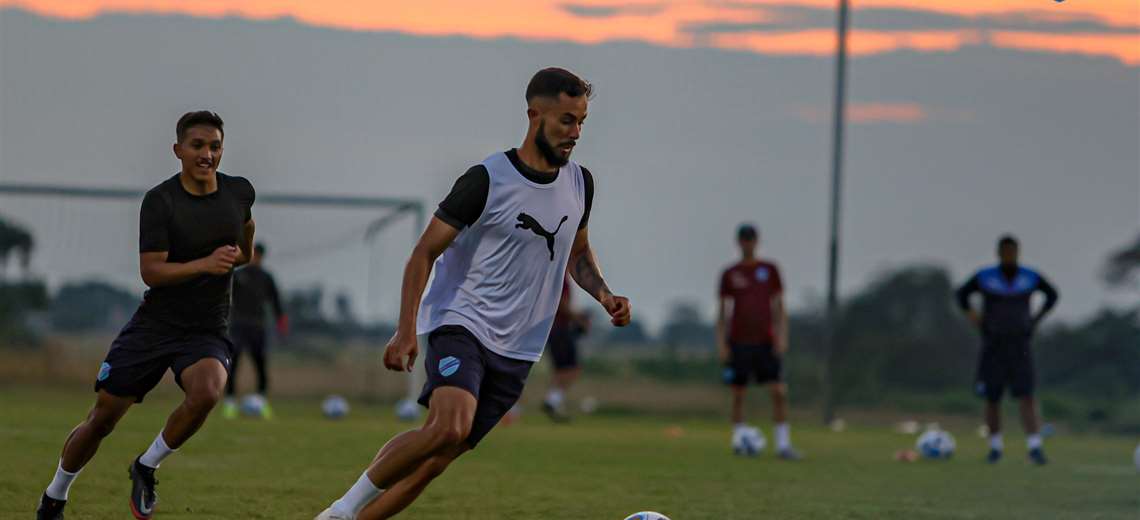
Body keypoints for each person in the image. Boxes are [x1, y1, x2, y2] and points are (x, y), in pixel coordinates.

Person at [315, 67, 631, 520]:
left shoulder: (582, 184)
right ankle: (340, 511)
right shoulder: (487, 179)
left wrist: (606, 296)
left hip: (520, 346)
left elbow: (577, 254)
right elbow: (423, 253)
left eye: (581, 121)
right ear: (534, 115)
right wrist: (406, 330)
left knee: (435, 462)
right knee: (448, 427)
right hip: (462, 321)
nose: (575, 132)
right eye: (566, 120)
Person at [36, 111, 255, 520]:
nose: (207, 154)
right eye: (198, 146)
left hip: (206, 328)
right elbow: (152, 271)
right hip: (154, 326)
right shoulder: (161, 201)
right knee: (102, 419)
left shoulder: (239, 192)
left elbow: (245, 246)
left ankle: (146, 466)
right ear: (178, 150)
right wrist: (205, 264)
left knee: (208, 392)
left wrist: (238, 256)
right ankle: (55, 495)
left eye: (215, 146)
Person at [956, 234, 1058, 465]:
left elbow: (1052, 295)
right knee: (992, 397)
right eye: (1005, 252)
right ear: (999, 253)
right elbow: (961, 295)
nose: (1009, 255)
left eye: (1013, 251)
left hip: (1020, 344)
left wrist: (1035, 319)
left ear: (1018, 252)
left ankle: (1034, 447)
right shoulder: (985, 277)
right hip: (993, 344)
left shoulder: (1029, 277)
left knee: (1027, 395)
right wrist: (974, 317)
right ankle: (995, 448)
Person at [715, 224, 800, 459]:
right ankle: (739, 440)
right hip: (739, 341)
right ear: (738, 242)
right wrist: (721, 343)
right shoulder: (730, 273)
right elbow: (722, 311)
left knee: (778, 391)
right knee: (738, 393)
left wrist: (782, 336)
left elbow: (780, 306)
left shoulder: (769, 270)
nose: (747, 243)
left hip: (766, 341)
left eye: (751, 239)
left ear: (757, 242)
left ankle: (783, 445)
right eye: (744, 239)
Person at [223, 242, 288, 419]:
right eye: (254, 254)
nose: (256, 258)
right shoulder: (238, 275)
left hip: (258, 326)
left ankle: (261, 401)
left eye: (259, 255)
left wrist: (281, 320)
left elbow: (275, 301)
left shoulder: (266, 278)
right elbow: (224, 297)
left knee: (260, 364)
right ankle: (229, 403)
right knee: (233, 364)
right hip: (238, 326)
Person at [542, 273, 591, 423]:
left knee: (562, 370)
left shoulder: (556, 275)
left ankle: (553, 403)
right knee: (572, 369)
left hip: (554, 328)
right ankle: (552, 401)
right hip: (559, 328)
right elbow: (560, 303)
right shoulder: (559, 276)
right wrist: (578, 318)